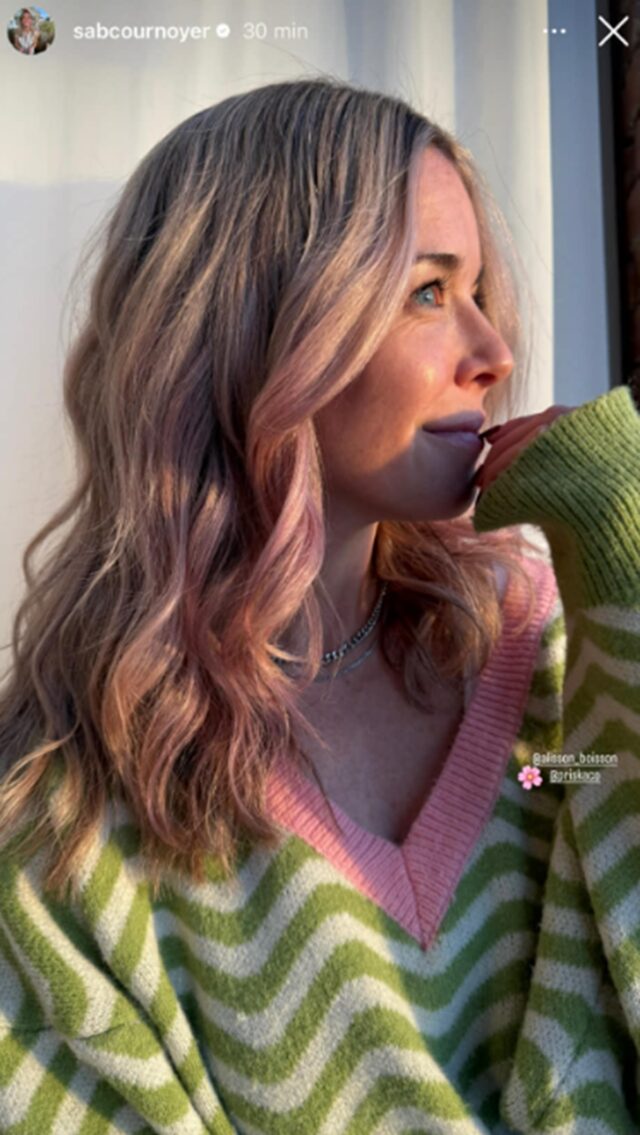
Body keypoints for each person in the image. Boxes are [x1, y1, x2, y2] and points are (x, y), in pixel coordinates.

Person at [0, 78, 638, 1135]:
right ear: (261, 326)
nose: (493, 352)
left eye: (478, 289)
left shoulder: (526, 658)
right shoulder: (66, 817)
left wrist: (624, 559)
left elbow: (582, 808)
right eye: (427, 292)